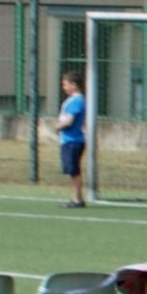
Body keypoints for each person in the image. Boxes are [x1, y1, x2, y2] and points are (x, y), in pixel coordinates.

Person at [56, 72, 86, 208]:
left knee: (74, 171)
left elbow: (69, 121)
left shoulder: (76, 101)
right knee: (73, 171)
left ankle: (76, 200)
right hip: (70, 140)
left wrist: (58, 126)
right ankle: (76, 198)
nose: (64, 87)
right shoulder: (74, 100)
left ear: (73, 85)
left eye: (65, 84)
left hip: (72, 140)